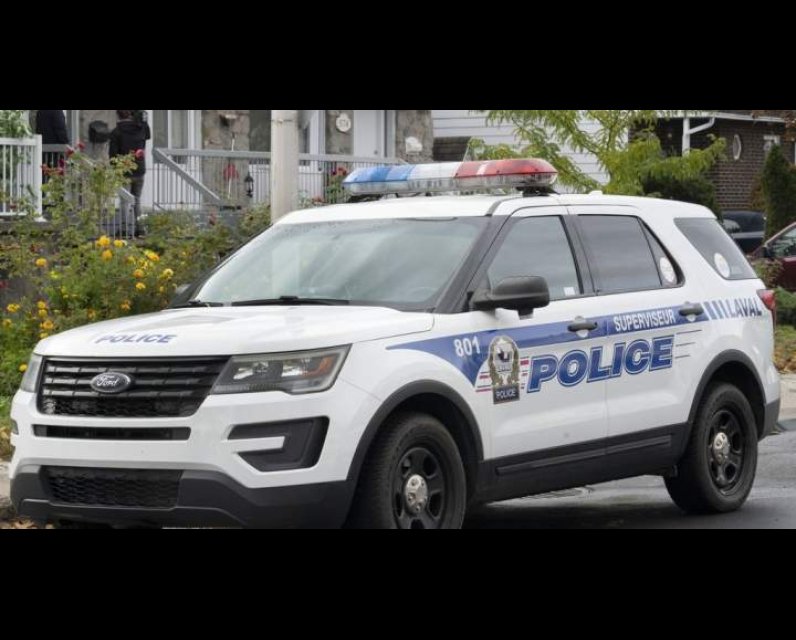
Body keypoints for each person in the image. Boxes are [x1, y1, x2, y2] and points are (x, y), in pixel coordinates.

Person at [109, 110, 151, 237]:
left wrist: (115, 169)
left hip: (124, 171)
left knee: (124, 202)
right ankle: (140, 229)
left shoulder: (116, 132)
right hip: (139, 169)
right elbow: (147, 136)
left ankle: (123, 230)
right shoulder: (141, 128)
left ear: (117, 115)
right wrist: (142, 119)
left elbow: (113, 156)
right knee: (137, 200)